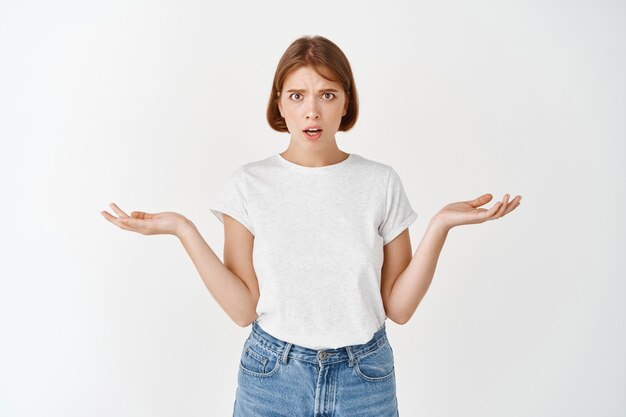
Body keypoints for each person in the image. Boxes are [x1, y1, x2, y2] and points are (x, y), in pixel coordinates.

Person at [101, 35, 521, 417]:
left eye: (327, 94)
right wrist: (183, 230)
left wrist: (440, 225)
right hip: (272, 378)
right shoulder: (248, 185)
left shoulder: (380, 182)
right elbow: (243, 309)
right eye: (297, 95)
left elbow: (399, 308)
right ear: (279, 103)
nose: (312, 111)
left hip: (365, 379)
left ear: (346, 102)